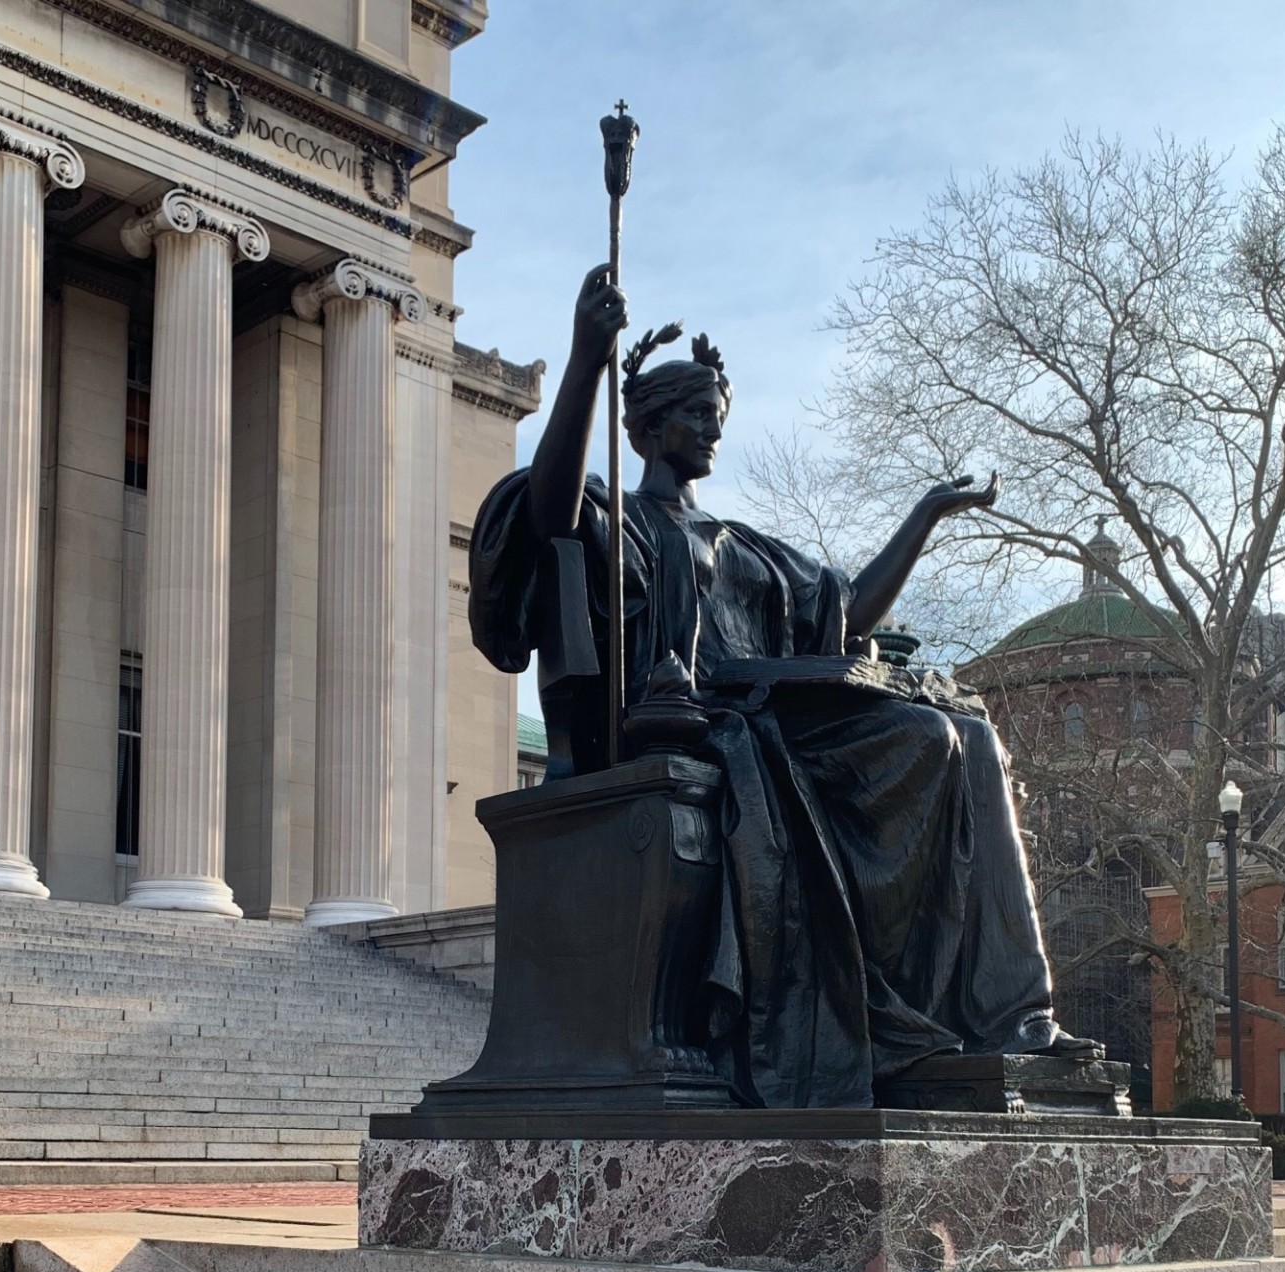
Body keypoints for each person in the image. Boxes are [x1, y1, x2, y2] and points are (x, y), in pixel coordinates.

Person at [467, 264, 1097, 1109]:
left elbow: (844, 613)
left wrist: (926, 514)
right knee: (929, 740)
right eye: (696, 415)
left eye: (717, 417)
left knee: (967, 736)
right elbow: (546, 517)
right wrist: (585, 360)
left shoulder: (750, 545)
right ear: (647, 431)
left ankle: (1016, 1018)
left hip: (781, 723)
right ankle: (882, 1020)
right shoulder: (614, 510)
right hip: (689, 726)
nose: (713, 432)